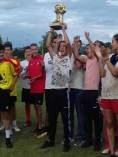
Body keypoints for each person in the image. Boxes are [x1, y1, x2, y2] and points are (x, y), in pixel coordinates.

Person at [94, 34, 118, 157]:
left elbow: (115, 72)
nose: (111, 43)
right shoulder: (109, 56)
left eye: (113, 41)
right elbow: (102, 74)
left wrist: (104, 58)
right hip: (106, 94)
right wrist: (100, 59)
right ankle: (113, 151)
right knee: (108, 123)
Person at [41, 23, 72, 152]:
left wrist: (64, 30)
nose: (63, 47)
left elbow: (69, 44)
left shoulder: (69, 58)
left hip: (63, 93)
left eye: (65, 46)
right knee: (52, 118)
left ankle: (67, 142)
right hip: (53, 92)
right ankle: (50, 140)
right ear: (58, 47)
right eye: (61, 46)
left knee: (65, 119)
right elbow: (48, 45)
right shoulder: (55, 57)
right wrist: (50, 31)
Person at [72, 32, 103, 151]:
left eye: (90, 49)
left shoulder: (97, 58)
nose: (88, 50)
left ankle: (97, 142)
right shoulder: (86, 59)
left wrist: (88, 38)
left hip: (95, 92)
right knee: (87, 118)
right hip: (86, 92)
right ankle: (88, 140)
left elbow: (95, 49)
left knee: (97, 119)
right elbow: (76, 55)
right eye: (88, 49)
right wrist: (75, 44)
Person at [0, 44, 18, 148]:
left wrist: (12, 85)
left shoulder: (9, 62)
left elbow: (16, 74)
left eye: (2, 52)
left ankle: (8, 139)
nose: (2, 54)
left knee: (5, 115)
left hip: (5, 92)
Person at [69, 35, 85, 146]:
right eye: (75, 43)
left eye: (78, 43)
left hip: (79, 88)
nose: (76, 44)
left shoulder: (83, 56)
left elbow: (79, 65)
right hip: (70, 88)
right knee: (69, 114)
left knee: (80, 113)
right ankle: (69, 135)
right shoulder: (70, 56)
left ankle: (81, 136)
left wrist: (74, 52)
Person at [27, 43, 45, 135]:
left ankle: (41, 126)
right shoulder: (30, 61)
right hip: (32, 88)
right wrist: (27, 76)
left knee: (38, 107)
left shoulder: (41, 59)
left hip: (39, 88)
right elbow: (30, 74)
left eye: (35, 49)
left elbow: (43, 73)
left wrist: (35, 78)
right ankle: (38, 124)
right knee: (35, 107)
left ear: (37, 50)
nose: (34, 51)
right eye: (32, 49)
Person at [4, 42, 21, 133]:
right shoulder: (1, 60)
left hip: (12, 89)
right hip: (2, 89)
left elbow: (18, 73)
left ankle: (13, 125)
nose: (6, 52)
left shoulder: (15, 61)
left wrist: (13, 84)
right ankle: (6, 125)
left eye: (8, 50)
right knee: (4, 109)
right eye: (5, 50)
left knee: (12, 108)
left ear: (11, 50)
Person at [20, 46, 32, 127]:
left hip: (34, 87)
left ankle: (39, 121)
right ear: (24, 53)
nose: (28, 53)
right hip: (25, 87)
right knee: (27, 104)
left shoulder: (35, 61)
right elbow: (19, 75)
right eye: (26, 51)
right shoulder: (22, 63)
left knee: (36, 105)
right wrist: (25, 70)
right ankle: (28, 120)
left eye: (29, 51)